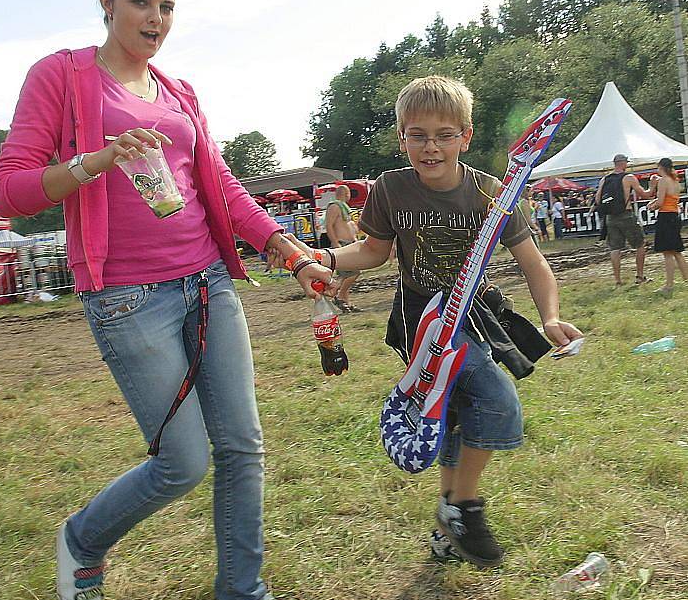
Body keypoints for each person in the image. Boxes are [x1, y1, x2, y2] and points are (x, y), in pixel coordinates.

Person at [0, 0, 331, 600]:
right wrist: (93, 161)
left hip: (206, 281)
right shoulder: (62, 76)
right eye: (140, 1)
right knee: (182, 463)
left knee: (242, 446)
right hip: (126, 296)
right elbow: (10, 190)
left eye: (166, 5)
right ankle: (84, 539)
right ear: (107, 3)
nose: (154, 17)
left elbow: (224, 189)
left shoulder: (179, 94)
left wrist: (286, 248)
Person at [278, 76, 582, 567]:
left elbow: (534, 262)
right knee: (487, 402)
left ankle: (448, 519)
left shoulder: (491, 193)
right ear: (402, 138)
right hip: (420, 321)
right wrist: (326, 257)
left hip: (475, 315)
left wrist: (551, 317)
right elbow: (374, 252)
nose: (431, 146)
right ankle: (463, 507)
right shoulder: (392, 189)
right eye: (417, 134)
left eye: (444, 134)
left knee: (465, 410)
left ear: (465, 136)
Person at [590, 154, 653, 286]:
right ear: (623, 163)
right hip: (626, 214)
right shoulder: (628, 177)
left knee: (615, 249)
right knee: (640, 244)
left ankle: (618, 281)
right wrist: (653, 186)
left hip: (610, 218)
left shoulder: (605, 179)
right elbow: (645, 194)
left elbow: (597, 200)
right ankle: (640, 276)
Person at [649, 157, 688, 297]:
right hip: (674, 215)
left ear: (661, 167)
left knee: (667, 252)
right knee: (677, 251)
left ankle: (669, 285)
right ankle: (686, 278)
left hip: (666, 217)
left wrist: (652, 205)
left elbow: (660, 202)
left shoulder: (663, 181)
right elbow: (669, 198)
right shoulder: (675, 180)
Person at [325, 184, 362, 312]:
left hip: (348, 243)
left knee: (347, 275)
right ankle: (339, 296)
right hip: (341, 244)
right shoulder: (335, 207)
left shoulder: (345, 208)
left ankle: (346, 304)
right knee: (353, 273)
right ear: (347, 194)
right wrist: (335, 243)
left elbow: (350, 226)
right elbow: (328, 225)